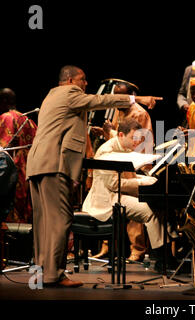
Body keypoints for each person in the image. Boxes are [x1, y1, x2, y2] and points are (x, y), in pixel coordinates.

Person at [26, 65, 162, 288]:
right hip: (54, 164)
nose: (85, 84)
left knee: (43, 222)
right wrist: (139, 99)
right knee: (60, 220)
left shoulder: (51, 95)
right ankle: (55, 275)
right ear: (70, 80)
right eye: (83, 79)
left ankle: (39, 275)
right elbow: (99, 101)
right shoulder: (70, 93)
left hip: (38, 164)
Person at [82, 118, 176, 272]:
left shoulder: (125, 148)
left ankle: (167, 256)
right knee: (149, 211)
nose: (136, 142)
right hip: (106, 199)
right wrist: (145, 183)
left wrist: (147, 179)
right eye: (134, 138)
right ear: (120, 135)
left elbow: (129, 177)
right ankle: (161, 258)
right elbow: (114, 184)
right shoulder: (107, 151)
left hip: (117, 194)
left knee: (158, 205)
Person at [89, 80, 154, 262]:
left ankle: (137, 249)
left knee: (134, 208)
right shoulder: (120, 110)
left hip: (135, 164)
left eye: (121, 96)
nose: (118, 100)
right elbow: (119, 140)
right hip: (118, 164)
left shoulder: (139, 113)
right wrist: (105, 134)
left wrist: (110, 133)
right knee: (110, 197)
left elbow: (138, 143)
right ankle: (109, 247)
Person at [0, 88, 37, 223]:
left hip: (11, 173)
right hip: (29, 173)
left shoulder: (6, 118)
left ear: (4, 101)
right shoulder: (29, 121)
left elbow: (3, 151)